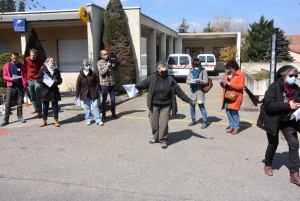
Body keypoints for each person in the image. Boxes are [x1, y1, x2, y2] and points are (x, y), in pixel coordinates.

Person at [257, 65, 300, 186]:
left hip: (288, 120)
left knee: (294, 144)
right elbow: (269, 105)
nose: (294, 78)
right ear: (283, 76)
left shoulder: (296, 89)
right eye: (291, 75)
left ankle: (294, 174)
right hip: (273, 120)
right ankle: (268, 164)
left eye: (296, 76)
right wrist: (287, 105)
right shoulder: (274, 87)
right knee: (273, 144)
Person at [135, 61, 194, 149]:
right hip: (153, 105)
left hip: (166, 105)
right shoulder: (152, 78)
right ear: (158, 69)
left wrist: (189, 101)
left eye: (166, 66)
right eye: (163, 66)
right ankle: (155, 137)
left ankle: (163, 139)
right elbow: (142, 84)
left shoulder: (170, 79)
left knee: (163, 124)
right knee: (154, 123)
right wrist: (132, 87)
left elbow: (179, 91)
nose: (165, 67)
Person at [0, 52, 28, 127]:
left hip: (20, 86)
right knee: (8, 104)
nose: (15, 60)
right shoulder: (7, 65)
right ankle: (6, 120)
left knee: (19, 104)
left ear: (18, 58)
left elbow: (24, 76)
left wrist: (25, 85)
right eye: (13, 58)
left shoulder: (21, 66)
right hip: (11, 86)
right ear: (10, 57)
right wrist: (9, 78)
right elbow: (4, 76)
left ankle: (20, 117)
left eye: (16, 58)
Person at [219, 59, 245, 134]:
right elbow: (225, 84)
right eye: (228, 68)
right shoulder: (227, 73)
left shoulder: (240, 74)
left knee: (234, 112)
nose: (229, 69)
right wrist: (222, 83)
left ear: (234, 66)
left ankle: (236, 127)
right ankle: (231, 126)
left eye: (231, 67)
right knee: (228, 112)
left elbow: (241, 86)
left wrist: (231, 84)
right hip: (227, 95)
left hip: (235, 96)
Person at [75, 59, 103, 126]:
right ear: (83, 66)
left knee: (95, 106)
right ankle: (88, 119)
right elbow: (78, 85)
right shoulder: (80, 75)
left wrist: (96, 90)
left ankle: (98, 120)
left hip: (93, 92)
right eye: (86, 65)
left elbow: (97, 82)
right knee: (87, 107)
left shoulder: (93, 73)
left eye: (89, 65)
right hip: (85, 93)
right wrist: (77, 94)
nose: (88, 66)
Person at [37, 57, 62, 127]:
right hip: (45, 91)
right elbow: (38, 79)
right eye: (51, 61)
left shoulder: (56, 70)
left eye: (53, 60)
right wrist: (43, 80)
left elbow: (60, 80)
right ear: (47, 62)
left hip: (54, 91)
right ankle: (44, 120)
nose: (53, 62)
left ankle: (56, 120)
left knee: (55, 106)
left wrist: (57, 81)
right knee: (45, 106)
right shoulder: (43, 69)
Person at [186, 58, 208, 129]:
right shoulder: (191, 70)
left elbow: (206, 81)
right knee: (192, 107)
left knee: (201, 107)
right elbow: (187, 80)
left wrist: (199, 81)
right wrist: (190, 82)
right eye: (195, 65)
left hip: (199, 92)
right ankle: (193, 120)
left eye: (197, 65)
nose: (196, 66)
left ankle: (204, 121)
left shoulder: (203, 71)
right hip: (192, 92)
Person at [97, 50, 118, 119]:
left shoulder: (110, 61)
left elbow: (115, 70)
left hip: (111, 83)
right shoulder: (99, 63)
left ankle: (113, 113)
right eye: (105, 54)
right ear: (101, 56)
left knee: (113, 99)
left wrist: (115, 64)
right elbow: (101, 72)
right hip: (104, 84)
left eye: (107, 53)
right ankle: (103, 113)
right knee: (104, 100)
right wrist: (107, 66)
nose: (106, 55)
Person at [24, 48, 44, 117]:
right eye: (31, 55)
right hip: (29, 79)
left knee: (38, 96)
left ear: (36, 55)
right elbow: (25, 67)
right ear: (30, 54)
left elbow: (42, 69)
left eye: (34, 55)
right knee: (32, 95)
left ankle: (40, 111)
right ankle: (35, 108)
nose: (32, 56)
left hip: (37, 79)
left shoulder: (39, 60)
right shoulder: (26, 59)